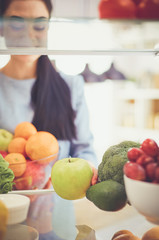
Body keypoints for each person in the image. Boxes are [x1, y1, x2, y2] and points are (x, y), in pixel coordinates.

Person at [0, 0, 98, 239]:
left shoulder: (70, 86)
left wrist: (81, 175)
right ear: (1, 26)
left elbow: (85, 151)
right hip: (4, 220)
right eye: (16, 22)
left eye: (40, 25)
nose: (28, 34)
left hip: (56, 218)